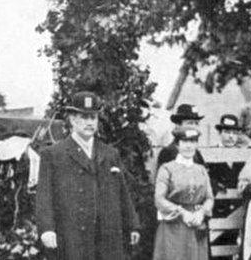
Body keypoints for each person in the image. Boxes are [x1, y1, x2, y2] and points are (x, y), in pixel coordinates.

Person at [35, 91, 140, 260]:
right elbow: (44, 196)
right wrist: (47, 229)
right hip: (72, 235)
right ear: (72, 119)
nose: (89, 122)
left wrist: (132, 225)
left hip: (107, 235)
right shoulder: (54, 154)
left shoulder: (110, 153)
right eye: (84, 117)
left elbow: (122, 192)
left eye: (93, 118)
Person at [153, 128, 214, 260]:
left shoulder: (201, 170)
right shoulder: (167, 168)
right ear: (177, 145)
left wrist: (202, 212)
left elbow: (209, 198)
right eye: (185, 141)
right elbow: (159, 199)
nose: (189, 146)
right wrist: (182, 212)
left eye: (193, 141)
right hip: (174, 225)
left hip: (196, 224)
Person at [156, 103, 206, 169]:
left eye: (196, 123)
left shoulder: (196, 153)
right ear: (178, 125)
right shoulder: (168, 152)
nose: (194, 127)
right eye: (190, 123)